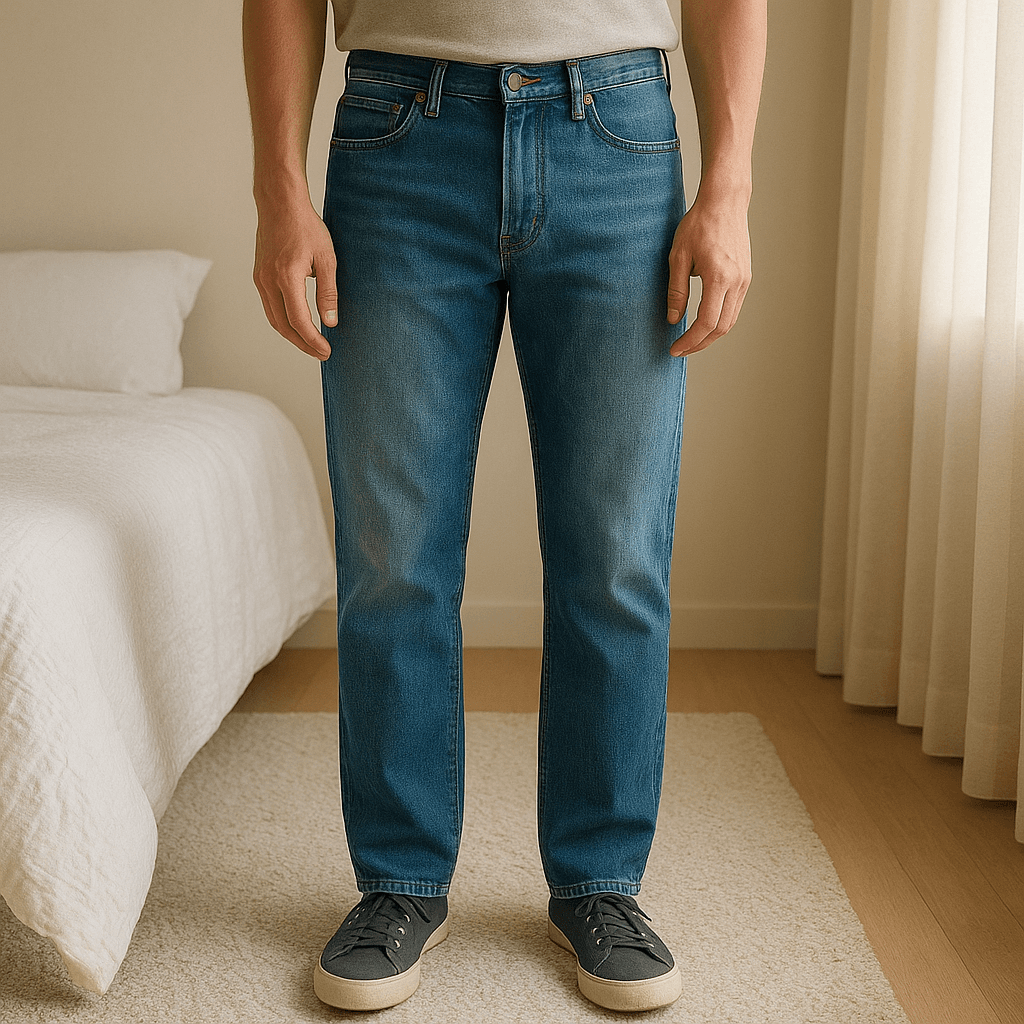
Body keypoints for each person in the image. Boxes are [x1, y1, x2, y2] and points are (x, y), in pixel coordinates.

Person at [243, 0, 765, 1013]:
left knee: (615, 553)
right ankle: (397, 881)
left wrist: (729, 184)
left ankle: (600, 883)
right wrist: (278, 189)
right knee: (392, 555)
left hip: (616, 135)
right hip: (398, 135)